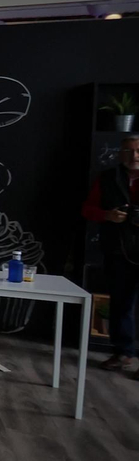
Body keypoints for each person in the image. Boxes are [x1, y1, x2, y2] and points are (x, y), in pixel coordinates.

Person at [83, 135, 139, 373]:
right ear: (120, 153)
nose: (133, 156)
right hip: (118, 249)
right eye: (127, 151)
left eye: (137, 151)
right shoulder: (107, 178)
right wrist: (108, 216)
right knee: (120, 303)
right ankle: (122, 352)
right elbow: (88, 209)